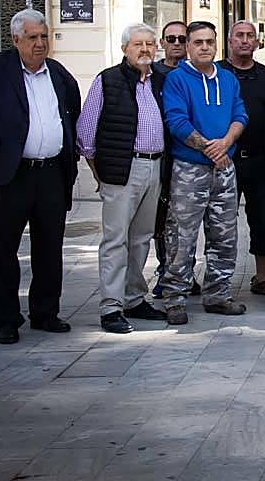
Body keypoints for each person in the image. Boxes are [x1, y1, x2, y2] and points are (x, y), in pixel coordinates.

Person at [0, 9, 80, 344]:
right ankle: (6, 318)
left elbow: (71, 110)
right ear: (15, 39)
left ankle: (45, 312)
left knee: (50, 246)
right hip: (10, 175)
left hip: (50, 174)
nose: (39, 43)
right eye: (32, 37)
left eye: (44, 36)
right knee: (2, 248)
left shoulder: (57, 72)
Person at [77, 23, 170, 334]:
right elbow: (86, 132)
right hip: (122, 168)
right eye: (137, 45)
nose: (145, 50)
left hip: (154, 167)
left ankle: (134, 298)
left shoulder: (161, 79)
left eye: (149, 44)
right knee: (115, 240)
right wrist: (98, 171)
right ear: (124, 49)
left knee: (142, 237)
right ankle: (111, 307)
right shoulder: (108, 80)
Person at [159, 21, 249, 325]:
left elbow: (240, 114)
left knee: (224, 235)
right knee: (181, 237)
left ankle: (218, 295)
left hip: (225, 169)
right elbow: (177, 121)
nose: (205, 47)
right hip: (189, 170)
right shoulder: (177, 79)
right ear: (187, 46)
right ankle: (174, 298)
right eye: (198, 42)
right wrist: (209, 149)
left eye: (210, 41)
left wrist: (226, 143)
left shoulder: (227, 78)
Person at [218, 20, 265, 299]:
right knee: (219, 221)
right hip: (224, 159)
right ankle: (218, 279)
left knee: (264, 220)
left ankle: (262, 276)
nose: (245, 40)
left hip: (259, 160)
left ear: (257, 42)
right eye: (239, 36)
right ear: (230, 40)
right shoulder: (217, 72)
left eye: (250, 36)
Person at [151, 20, 187, 290]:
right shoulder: (151, 74)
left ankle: (186, 274)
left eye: (181, 39)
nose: (176, 44)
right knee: (161, 219)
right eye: (170, 39)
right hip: (159, 157)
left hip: (188, 157)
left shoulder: (197, 73)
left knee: (187, 220)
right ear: (162, 43)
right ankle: (165, 272)